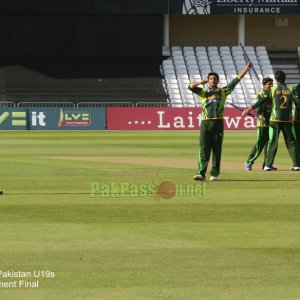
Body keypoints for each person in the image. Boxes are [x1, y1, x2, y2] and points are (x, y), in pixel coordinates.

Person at [189, 62, 252, 181]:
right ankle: (201, 173)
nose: (212, 80)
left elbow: (236, 80)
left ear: (217, 81)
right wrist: (199, 82)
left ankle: (214, 173)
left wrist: (246, 69)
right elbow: (190, 86)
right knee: (204, 148)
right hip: (205, 123)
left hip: (218, 123)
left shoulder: (223, 91)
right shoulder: (203, 92)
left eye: (214, 79)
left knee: (217, 149)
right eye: (210, 79)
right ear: (208, 80)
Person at [264, 70, 300, 171]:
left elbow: (262, 100)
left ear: (276, 79)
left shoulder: (273, 89)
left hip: (275, 119)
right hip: (287, 120)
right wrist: (294, 115)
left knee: (273, 142)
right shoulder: (290, 89)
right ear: (284, 79)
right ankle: (297, 164)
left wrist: (250, 108)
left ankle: (268, 165)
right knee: (291, 142)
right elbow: (297, 104)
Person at [242, 77, 276, 170]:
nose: (271, 86)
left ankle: (267, 164)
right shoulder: (261, 94)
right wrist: (260, 116)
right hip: (262, 122)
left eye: (272, 84)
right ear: (264, 85)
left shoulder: (273, 94)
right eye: (269, 84)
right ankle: (248, 162)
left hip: (271, 121)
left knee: (270, 144)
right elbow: (259, 106)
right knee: (260, 144)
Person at [289, 83, 300, 155]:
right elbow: (289, 103)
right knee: (297, 140)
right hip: (297, 119)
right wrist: (291, 115)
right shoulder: (293, 89)